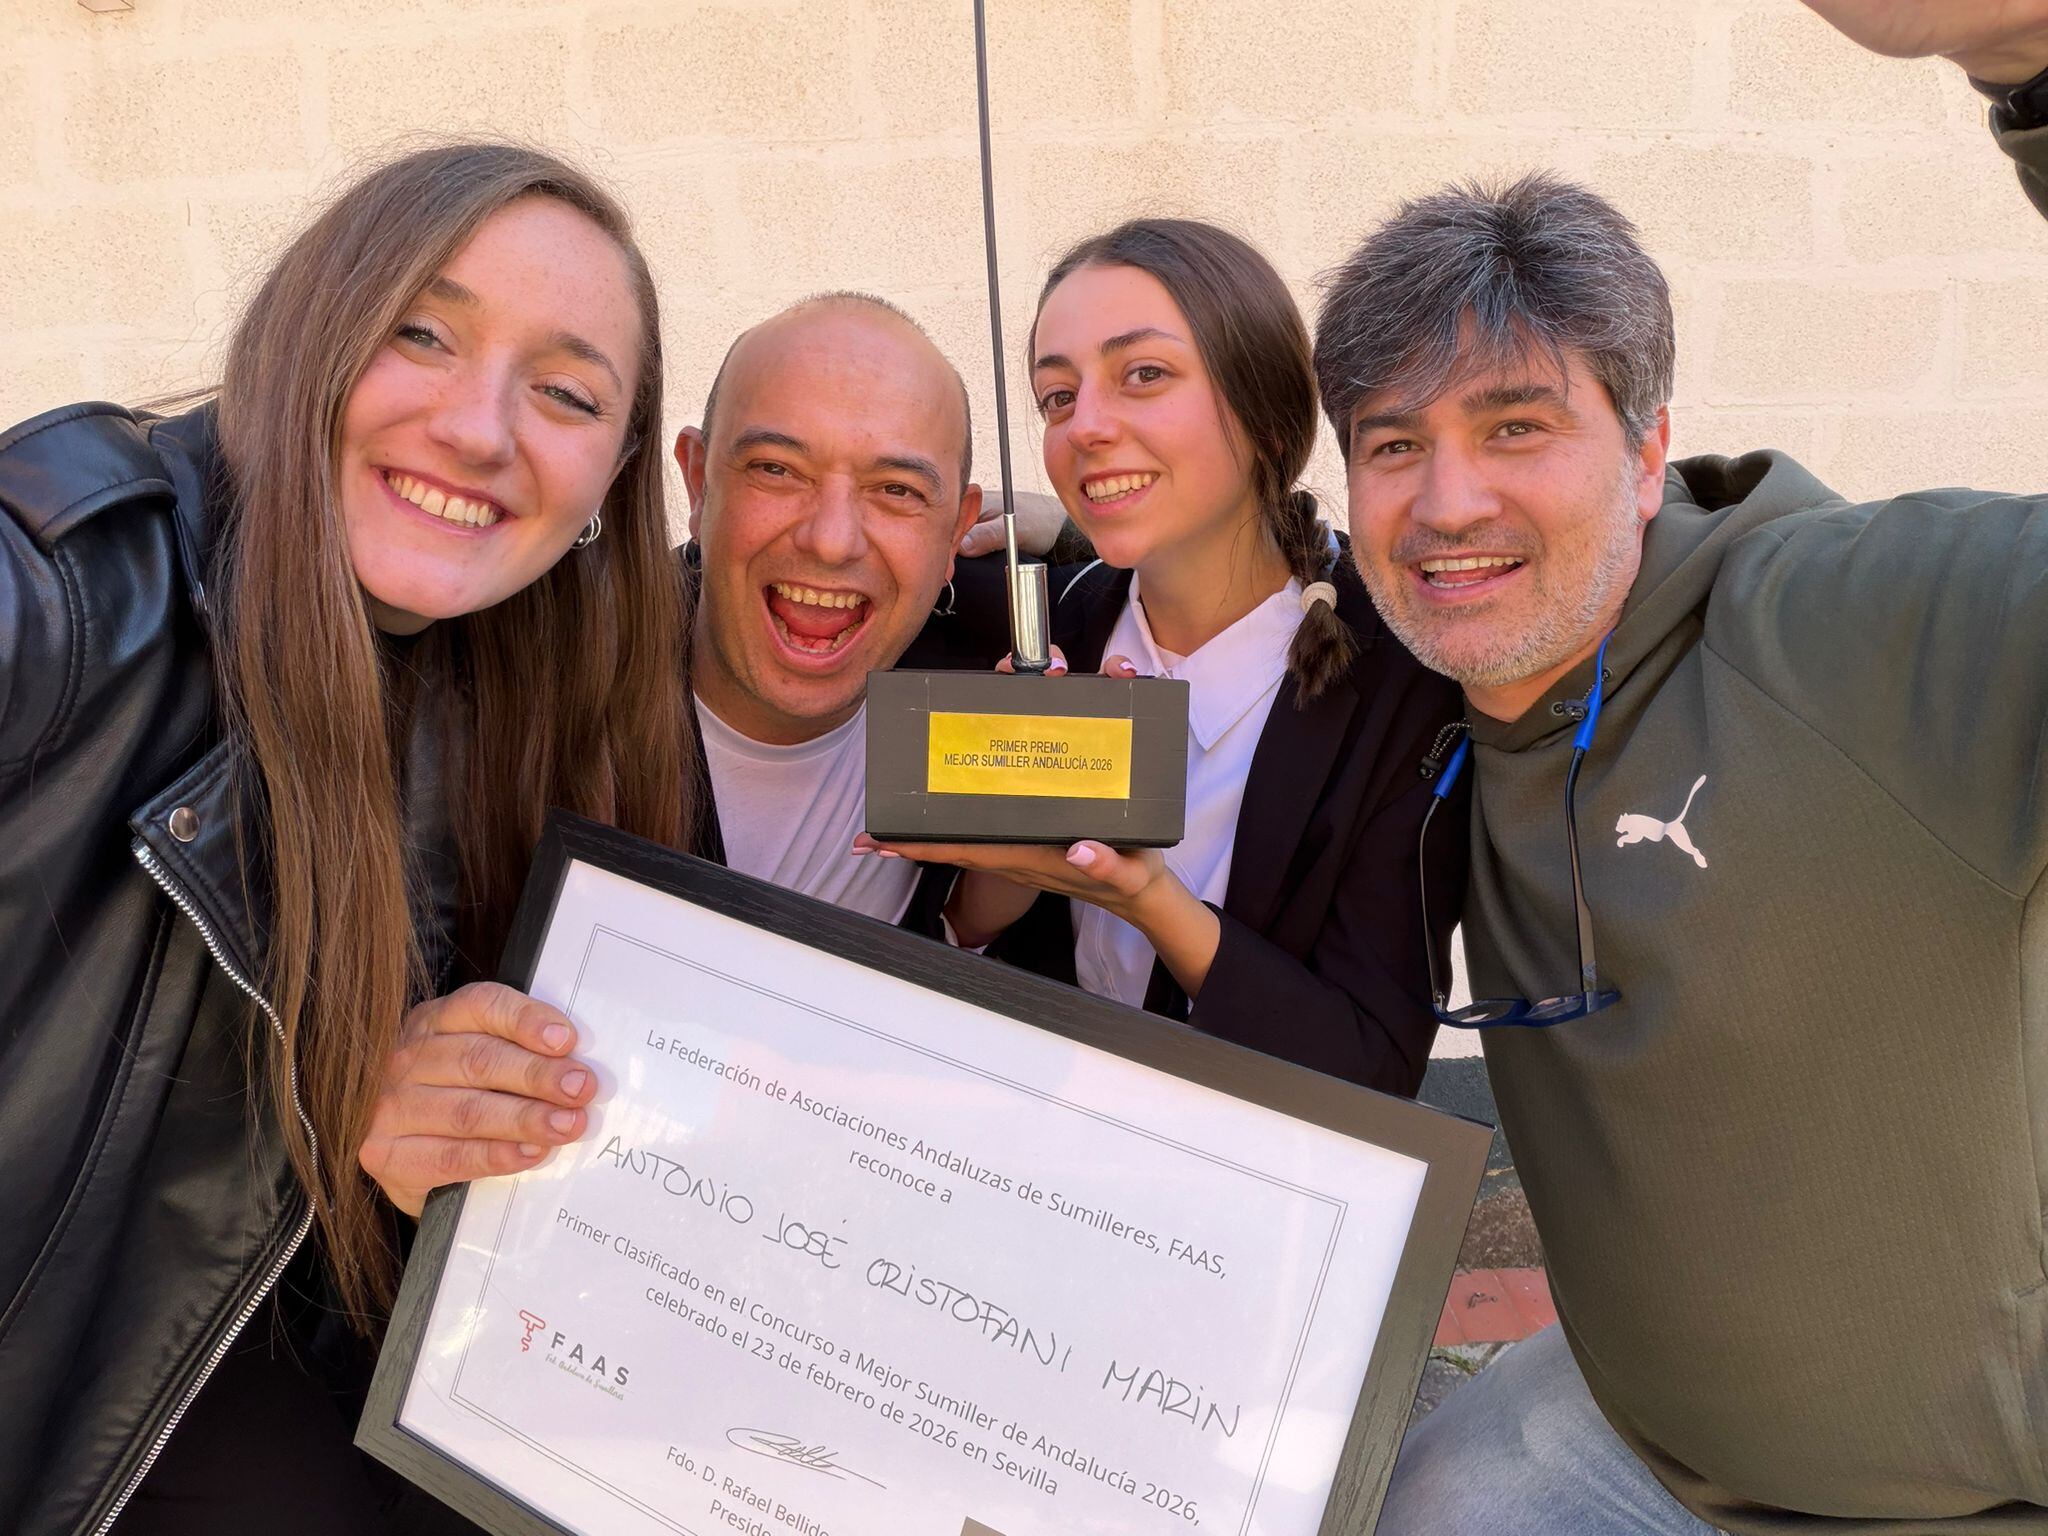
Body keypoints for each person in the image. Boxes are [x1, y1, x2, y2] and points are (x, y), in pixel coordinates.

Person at [1316, 10, 2048, 1530]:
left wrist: (2028, 64)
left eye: (1516, 425)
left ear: (1650, 451)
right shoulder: (1423, 677)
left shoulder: (1848, 628)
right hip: (1637, 1438)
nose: (1449, 502)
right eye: (1392, 445)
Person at [0, 143, 699, 1534]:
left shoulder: (492, 698)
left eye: (565, 394)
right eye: (421, 332)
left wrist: (387, 1127)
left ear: (610, 484)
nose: (481, 428)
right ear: (310, 332)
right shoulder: (72, 581)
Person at [862, 219, 1467, 1094]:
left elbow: (1373, 1067)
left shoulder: (1401, 679)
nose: (1086, 428)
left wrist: (1147, 899)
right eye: (1057, 396)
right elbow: (957, 962)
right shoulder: (1043, 634)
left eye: (1143, 375)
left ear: (1262, 406)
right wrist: (999, 881)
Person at [672, 293, 1060, 931]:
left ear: (955, 530)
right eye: (777, 469)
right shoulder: (550, 686)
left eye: (896, 491)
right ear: (698, 481)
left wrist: (1075, 526)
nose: (831, 540)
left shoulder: (1000, 656)